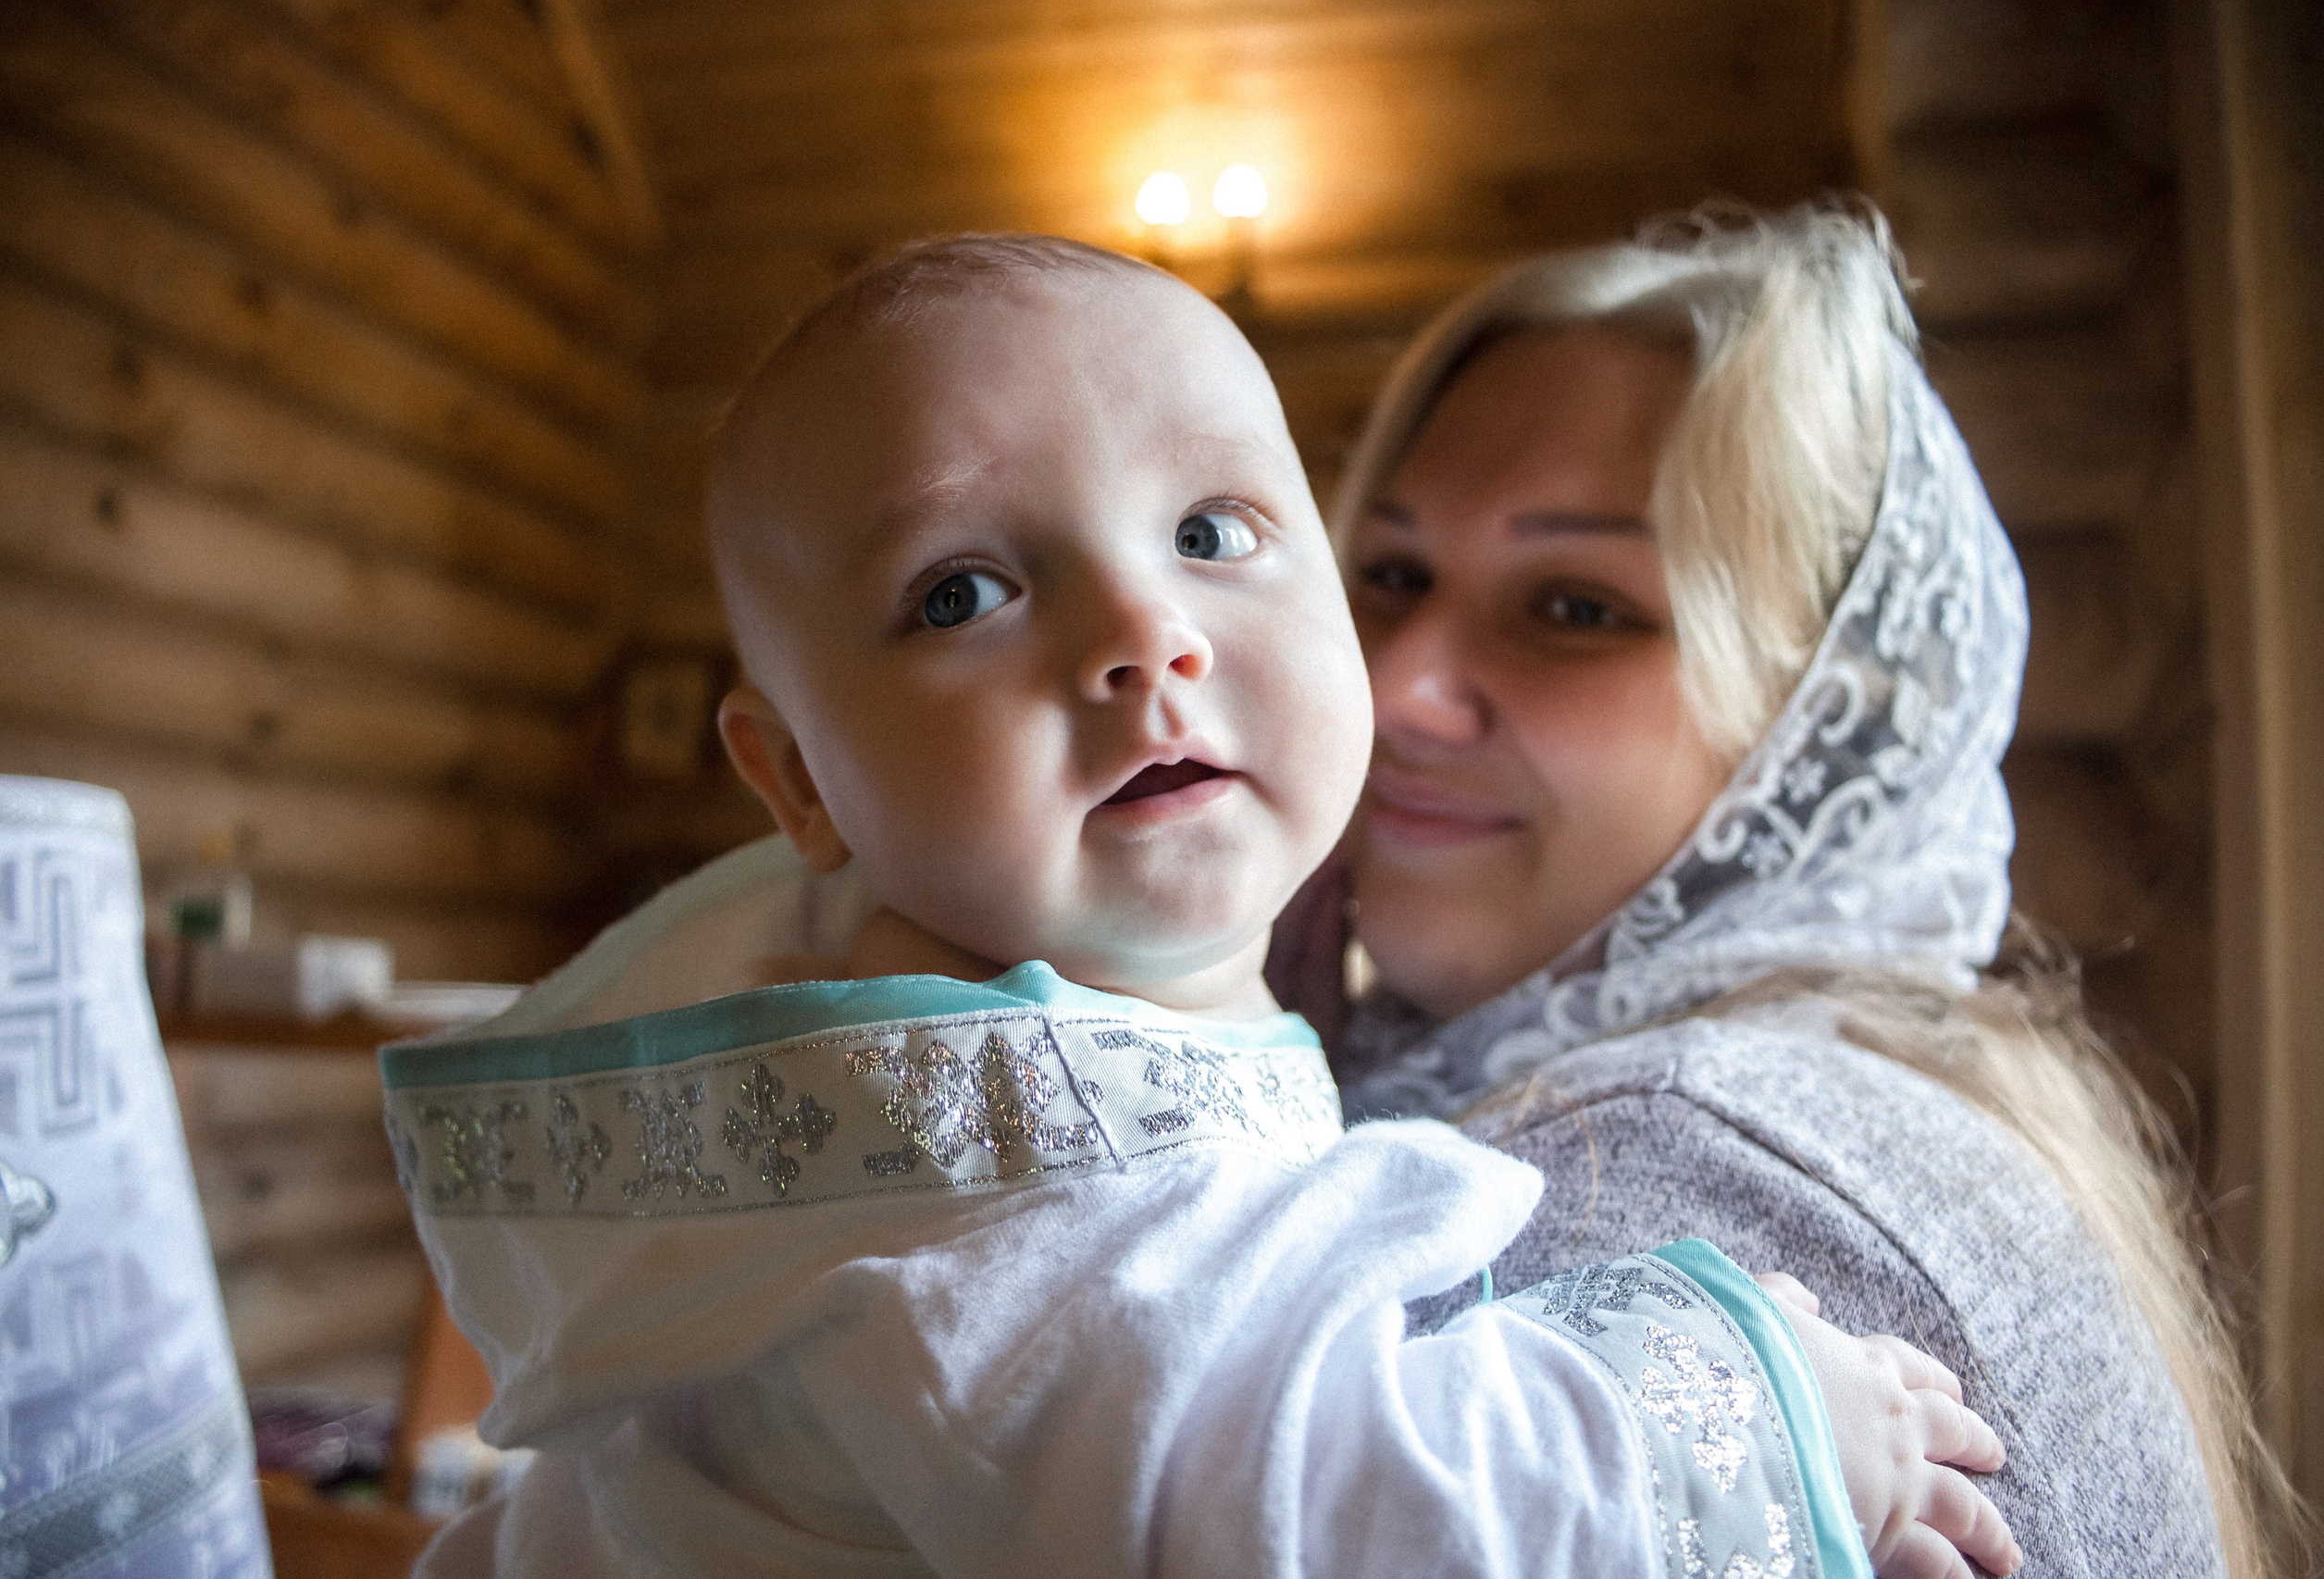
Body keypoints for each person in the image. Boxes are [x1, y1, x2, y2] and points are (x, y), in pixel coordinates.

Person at [383, 234, 2019, 1579]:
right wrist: (1769, 1406)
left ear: (1825, 713)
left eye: (1212, 531)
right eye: (963, 591)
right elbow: (1349, 1526)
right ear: (798, 781)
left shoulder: (1746, 1145)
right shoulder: (998, 1170)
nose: (1145, 631)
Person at [1265, 204, 2306, 1579]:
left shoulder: (1653, 1173)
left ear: (1818, 723)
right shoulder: (1881, 1073)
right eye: (1391, 574)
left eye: (1577, 605)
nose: (1396, 683)